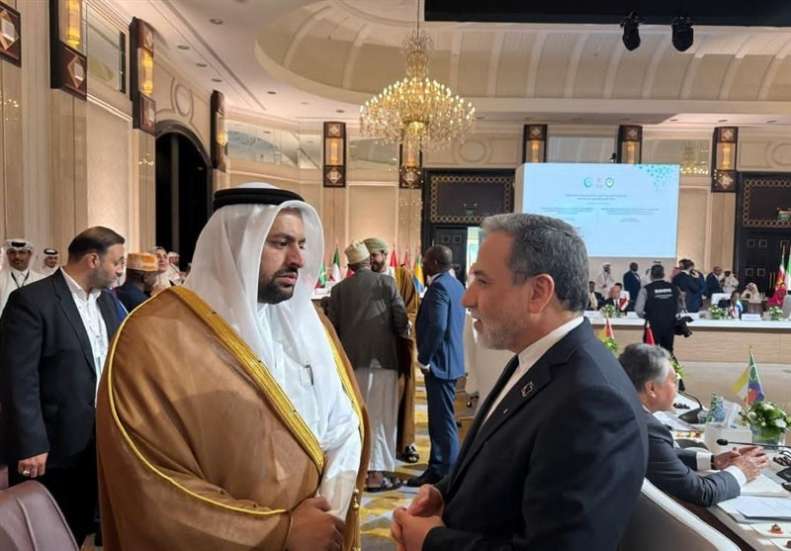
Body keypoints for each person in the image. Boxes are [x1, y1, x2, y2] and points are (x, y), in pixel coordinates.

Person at [97, 184, 367, 550]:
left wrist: (329, 511)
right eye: (280, 243)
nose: (298, 260)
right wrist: (281, 531)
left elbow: (345, 423)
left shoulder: (311, 324)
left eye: (302, 245)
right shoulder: (152, 337)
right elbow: (150, 482)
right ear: (236, 243)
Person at [392, 213, 647, 551]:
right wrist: (445, 493)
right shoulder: (537, 359)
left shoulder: (592, 402)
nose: (467, 299)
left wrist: (431, 541)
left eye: (483, 282)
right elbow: (504, 461)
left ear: (538, 292)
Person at [0, 227, 126, 545]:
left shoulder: (108, 303)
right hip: (51, 447)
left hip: (99, 440)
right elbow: (18, 378)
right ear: (93, 260)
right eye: (117, 262)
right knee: (47, 534)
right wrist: (30, 444)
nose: (120, 270)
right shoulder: (31, 301)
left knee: (84, 527)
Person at [619, 344, 768, 507]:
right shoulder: (648, 428)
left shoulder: (622, 410)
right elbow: (701, 492)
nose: (677, 390)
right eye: (674, 381)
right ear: (652, 388)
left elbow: (657, 455)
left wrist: (713, 461)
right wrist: (741, 470)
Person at [327, 241, 408, 492]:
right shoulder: (386, 283)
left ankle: (357, 471)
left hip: (350, 363)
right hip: (383, 361)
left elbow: (332, 327)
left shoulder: (339, 290)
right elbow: (401, 320)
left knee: (355, 417)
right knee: (381, 418)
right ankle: (376, 476)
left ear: (350, 266)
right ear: (368, 261)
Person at [407, 245, 465, 487]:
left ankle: (442, 472)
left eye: (425, 260)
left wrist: (425, 358)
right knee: (444, 419)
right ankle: (444, 467)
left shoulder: (439, 287)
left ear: (434, 263)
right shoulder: (456, 285)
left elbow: (438, 326)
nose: (422, 264)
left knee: (441, 422)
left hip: (440, 363)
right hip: (451, 361)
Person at [364, 237, 420, 465]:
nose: (370, 261)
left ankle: (405, 442)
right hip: (373, 349)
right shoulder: (364, 279)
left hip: (399, 344)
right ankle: (374, 446)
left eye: (374, 256)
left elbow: (413, 307)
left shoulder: (401, 276)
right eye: (367, 257)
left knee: (403, 394)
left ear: (384, 255)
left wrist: (401, 325)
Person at [635, 264, 678, 353]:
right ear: (663, 275)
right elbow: (680, 307)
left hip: (652, 325)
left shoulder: (646, 289)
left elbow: (638, 310)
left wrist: (647, 316)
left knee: (649, 351)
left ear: (651, 276)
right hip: (669, 325)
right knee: (668, 352)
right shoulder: (673, 288)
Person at [0, 239, 45, 315]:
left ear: (30, 255)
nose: (17, 256)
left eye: (21, 252)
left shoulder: (41, 279)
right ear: (7, 254)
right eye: (12, 252)